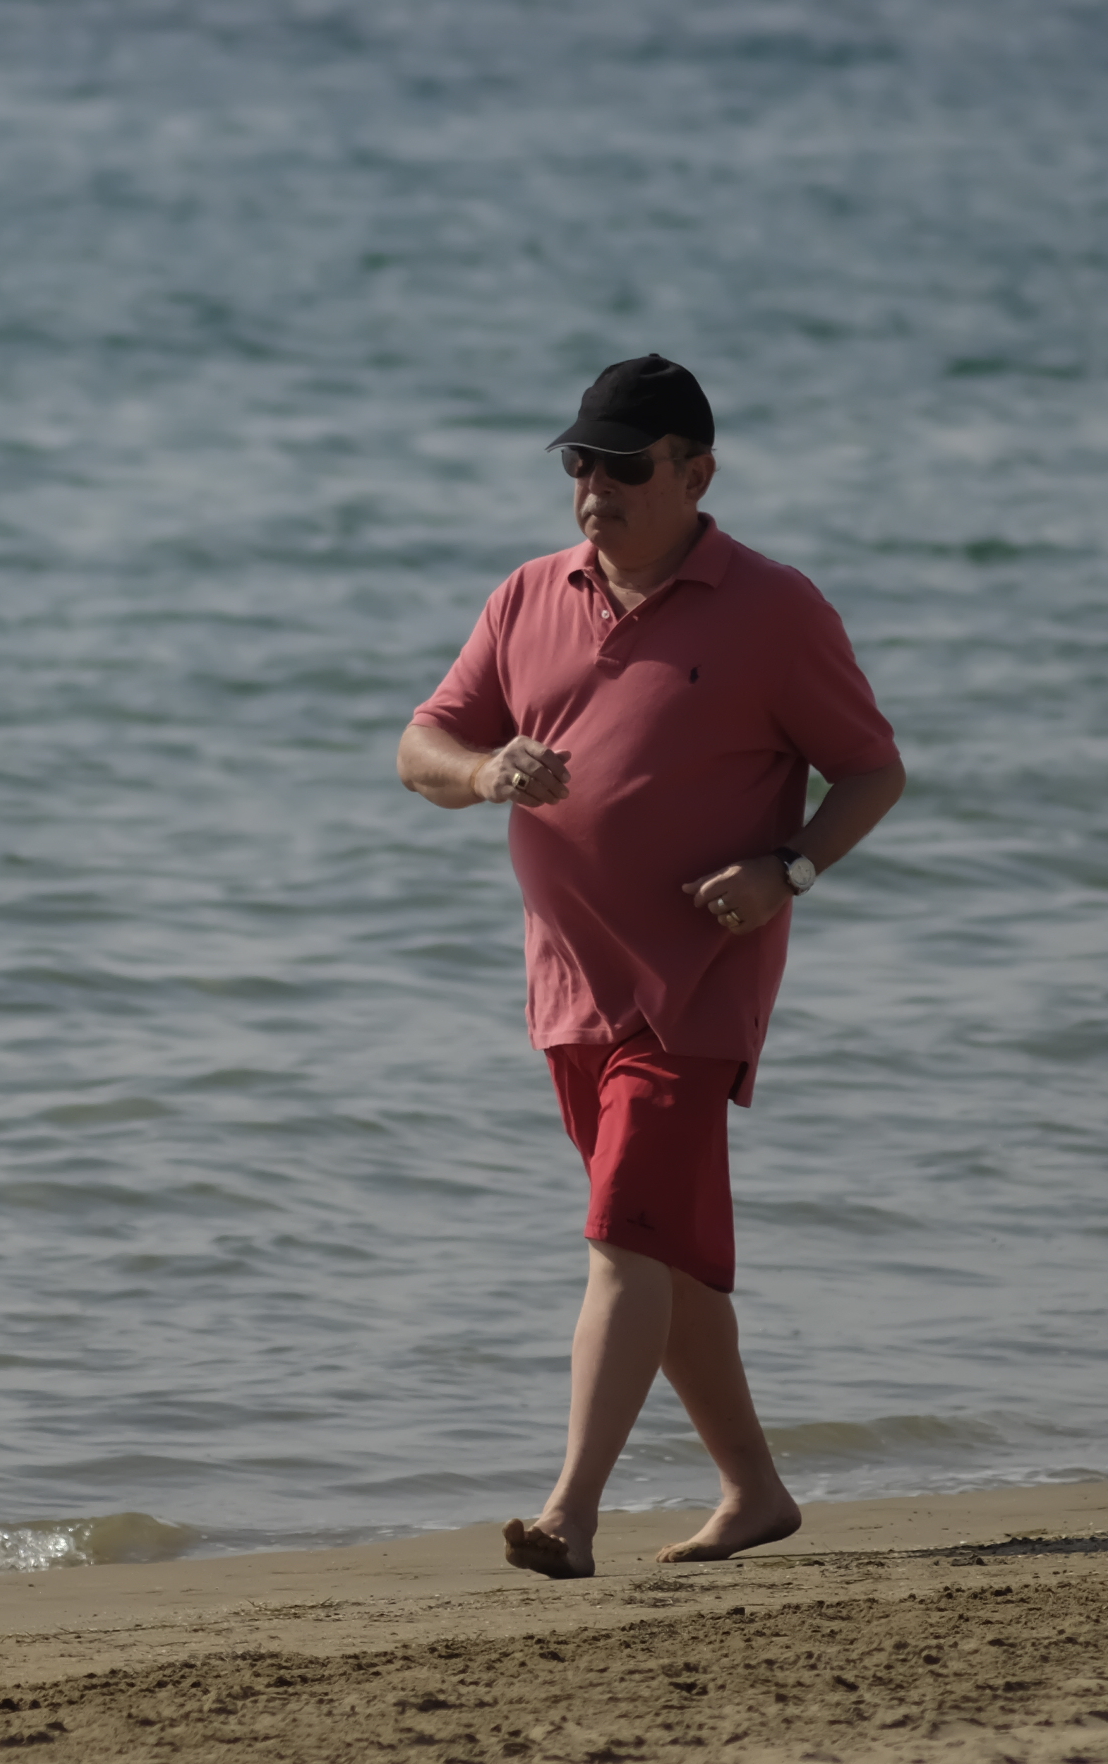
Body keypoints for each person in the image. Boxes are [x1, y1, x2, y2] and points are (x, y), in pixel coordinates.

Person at [396, 355, 906, 1579]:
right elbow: (422, 746)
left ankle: (568, 1516)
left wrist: (788, 870)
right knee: (660, 1256)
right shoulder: (529, 595)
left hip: (695, 990)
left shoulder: (775, 609)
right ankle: (755, 1491)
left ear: (696, 474)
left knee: (622, 1238)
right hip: (571, 988)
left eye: (624, 467)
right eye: (580, 464)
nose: (595, 489)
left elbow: (873, 769)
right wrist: (485, 772)